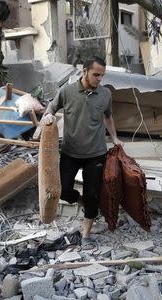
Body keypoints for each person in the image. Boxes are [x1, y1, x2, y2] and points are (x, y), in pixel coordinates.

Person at [40, 56, 123, 248]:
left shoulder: (105, 95)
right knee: (62, 190)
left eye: (102, 75)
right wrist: (48, 117)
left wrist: (115, 137)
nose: (99, 79)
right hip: (70, 152)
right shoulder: (67, 91)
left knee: (92, 194)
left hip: (96, 153)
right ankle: (80, 200)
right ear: (84, 71)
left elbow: (108, 118)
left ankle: (85, 234)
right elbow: (51, 109)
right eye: (96, 75)